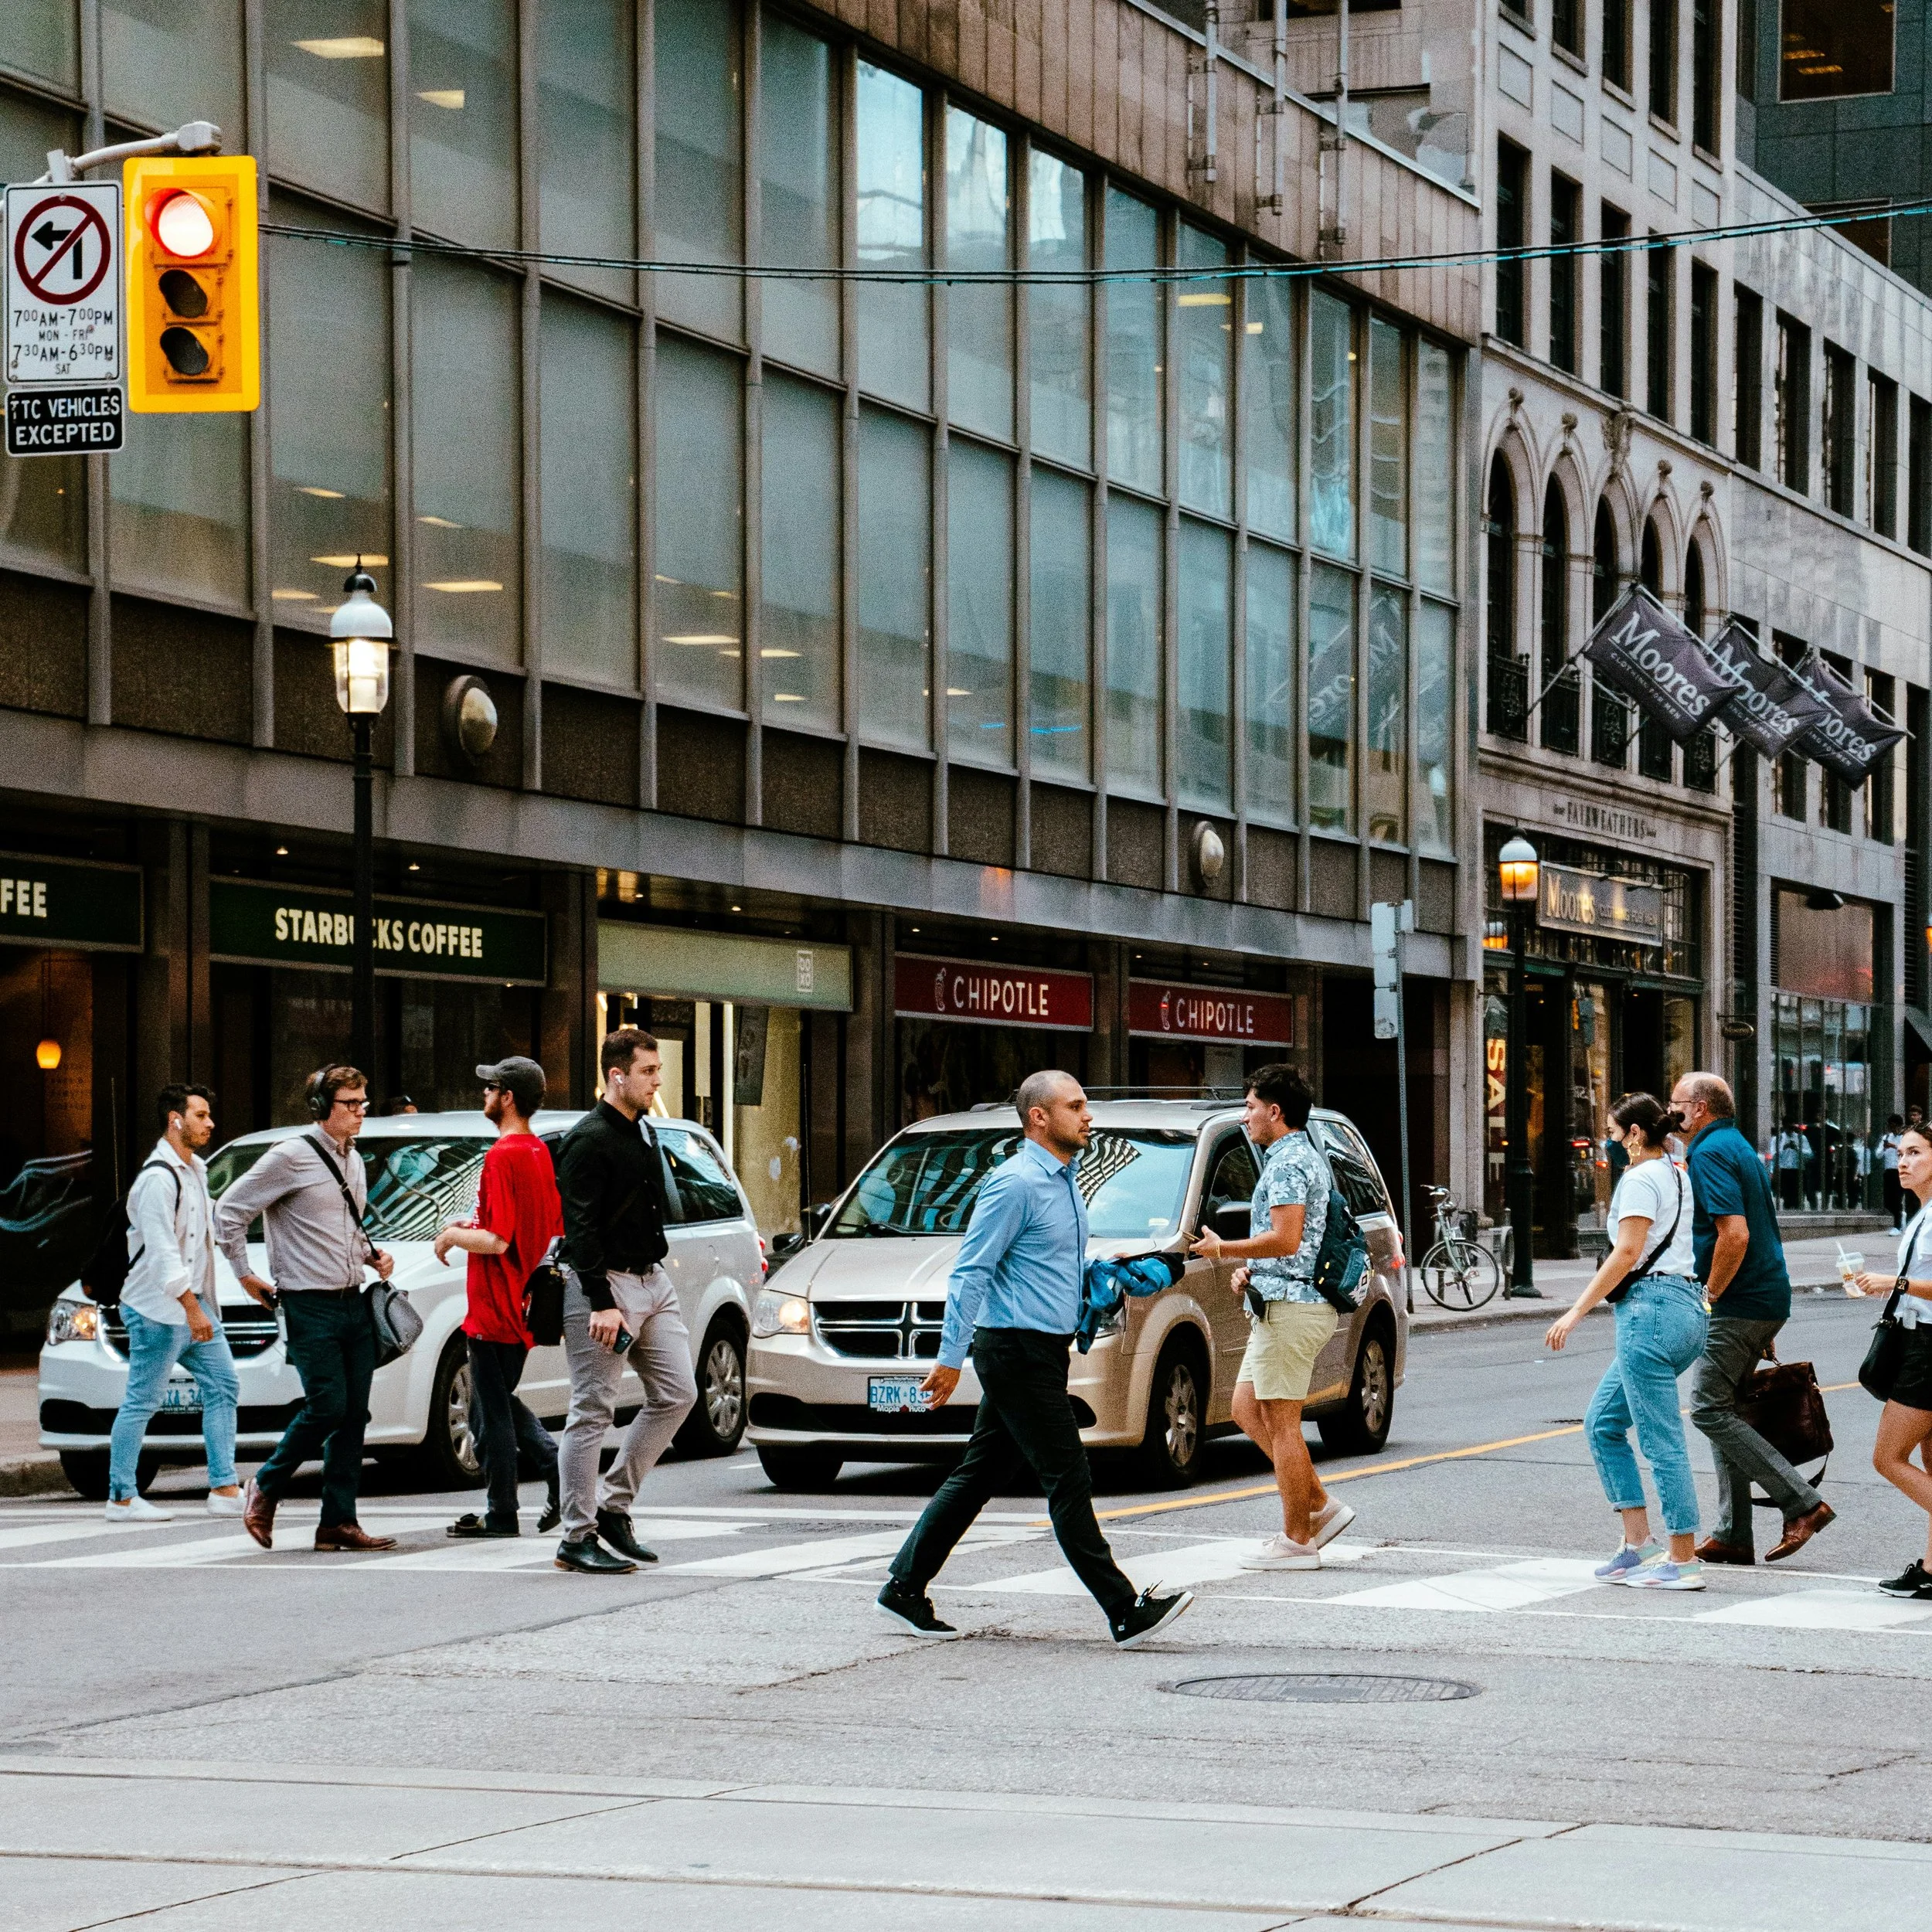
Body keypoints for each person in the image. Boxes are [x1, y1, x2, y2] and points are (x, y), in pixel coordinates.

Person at [877, 1071, 1193, 1648]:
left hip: (1040, 1350)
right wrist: (950, 1357)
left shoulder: (1065, 1181)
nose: (1088, 1116)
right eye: (1076, 1107)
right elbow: (971, 1271)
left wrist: (1104, 1271)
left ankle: (903, 1588)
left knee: (979, 1476)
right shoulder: (1015, 1184)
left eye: (1086, 1106)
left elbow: (1047, 1264)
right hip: (1014, 1349)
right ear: (1039, 1118)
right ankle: (1123, 1610)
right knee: (1068, 1474)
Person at [216, 1064, 399, 1554]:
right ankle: (267, 1485)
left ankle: (338, 1521)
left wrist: (370, 1254)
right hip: (307, 1303)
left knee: (354, 1415)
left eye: (364, 1102)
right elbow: (229, 1211)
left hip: (353, 1301)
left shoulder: (354, 1160)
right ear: (322, 1107)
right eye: (351, 1104)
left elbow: (340, 1227)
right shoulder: (290, 1157)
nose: (361, 1112)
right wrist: (243, 1272)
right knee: (328, 1406)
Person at [1191, 1064, 1354, 1570]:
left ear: (1274, 1111)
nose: (1246, 1115)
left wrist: (1223, 1251)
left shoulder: (1287, 1162)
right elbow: (1293, 1245)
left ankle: (1297, 1539)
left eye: (1250, 1105)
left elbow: (1286, 1238)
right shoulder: (1294, 1156)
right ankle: (1319, 1505)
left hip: (1293, 1308)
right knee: (1244, 1407)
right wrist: (1251, 1272)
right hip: (1281, 1301)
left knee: (1282, 1423)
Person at [1546, 1093, 1709, 1590]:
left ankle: (1682, 1558)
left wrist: (1576, 1309)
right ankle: (1638, 1544)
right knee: (1602, 1424)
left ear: (1636, 1133)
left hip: (1651, 1312)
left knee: (1662, 1441)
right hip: (1683, 1308)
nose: (1612, 1142)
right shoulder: (1677, 1173)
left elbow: (1627, 1252)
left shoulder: (1641, 1177)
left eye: (1616, 1134)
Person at [1672, 1071, 1833, 1566]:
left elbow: (1735, 1233)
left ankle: (1803, 1504)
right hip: (1763, 1296)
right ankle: (1732, 1534)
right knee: (1726, 1408)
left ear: (1699, 1107)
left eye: (1675, 1101)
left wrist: (1710, 1296)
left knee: (1706, 1409)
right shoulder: (1736, 1144)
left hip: (1738, 1301)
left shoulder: (1709, 1151)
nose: (1669, 1108)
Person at [553, 1027, 696, 1575]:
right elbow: (580, 1229)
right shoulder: (589, 1139)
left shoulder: (644, 1131)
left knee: (679, 1393)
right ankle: (577, 1534)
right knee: (592, 1410)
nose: (657, 1080)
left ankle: (614, 1506)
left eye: (657, 1070)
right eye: (649, 1072)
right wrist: (599, 1300)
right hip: (604, 1286)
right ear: (618, 1076)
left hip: (652, 1281)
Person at [434, 1056, 562, 1539]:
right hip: (526, 1299)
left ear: (507, 1097)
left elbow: (499, 1239)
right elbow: (536, 1228)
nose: (483, 1095)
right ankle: (525, 1492)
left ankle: (511, 1505)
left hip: (497, 1300)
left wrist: (451, 1234)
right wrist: (472, 1227)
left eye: (490, 1088)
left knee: (494, 1407)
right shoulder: (537, 1152)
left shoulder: (503, 1155)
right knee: (493, 1403)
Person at [105, 1084, 243, 1525]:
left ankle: (224, 1488)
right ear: (175, 1120)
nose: (210, 1123)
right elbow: (164, 1254)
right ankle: (122, 1498)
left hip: (192, 1305)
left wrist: (246, 1276)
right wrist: (192, 1309)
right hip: (156, 1311)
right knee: (142, 1401)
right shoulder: (156, 1181)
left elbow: (212, 1229)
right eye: (201, 1115)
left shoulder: (196, 1171)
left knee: (224, 1386)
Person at [1855, 1124, 1932, 1598]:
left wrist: (1893, 1283)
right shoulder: (1922, 1215)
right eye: (1900, 1153)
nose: (1903, 1162)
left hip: (1928, 1347)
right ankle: (1929, 1567)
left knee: (1888, 1457)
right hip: (1920, 1340)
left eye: (1916, 1153)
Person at [1882, 1115, 1906, 1232]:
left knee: (1897, 1198)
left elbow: (1906, 1151)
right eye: (1891, 1126)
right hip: (1889, 1171)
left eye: (1895, 1126)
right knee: (1888, 1201)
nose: (1893, 1129)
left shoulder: (1904, 1138)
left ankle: (1897, 1225)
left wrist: (1894, 1146)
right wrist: (1884, 1148)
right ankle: (1901, 1215)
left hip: (1900, 1171)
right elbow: (1878, 1155)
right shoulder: (1886, 1137)